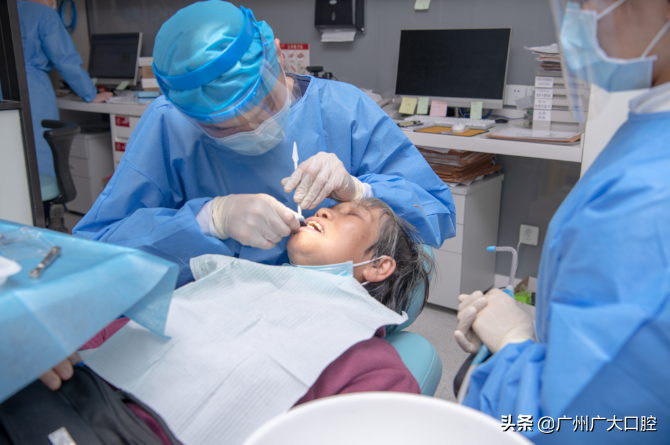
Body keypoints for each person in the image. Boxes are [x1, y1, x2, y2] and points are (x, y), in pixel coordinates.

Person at [72, 1, 455, 287]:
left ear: (277, 54)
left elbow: (437, 213)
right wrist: (209, 219)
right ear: (188, 115)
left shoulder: (343, 109)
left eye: (264, 106)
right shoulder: (169, 124)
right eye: (224, 128)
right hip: (219, 309)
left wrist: (360, 190)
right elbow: (97, 250)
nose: (253, 129)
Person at [41, 198, 433, 444]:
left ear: (379, 266)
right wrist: (52, 352)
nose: (324, 210)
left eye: (351, 214)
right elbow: (120, 335)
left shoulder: (372, 362)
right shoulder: (229, 279)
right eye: (330, 206)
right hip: (67, 397)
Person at [454, 1, 670, 443]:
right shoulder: (649, 130)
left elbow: (578, 426)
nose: (580, 14)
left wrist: (513, 347)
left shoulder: (649, 199)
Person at [17, 0, 112, 180]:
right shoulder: (43, 14)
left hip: (5, 89)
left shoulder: (7, 10)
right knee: (40, 149)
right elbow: (65, 60)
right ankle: (47, 196)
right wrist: (89, 94)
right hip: (32, 90)